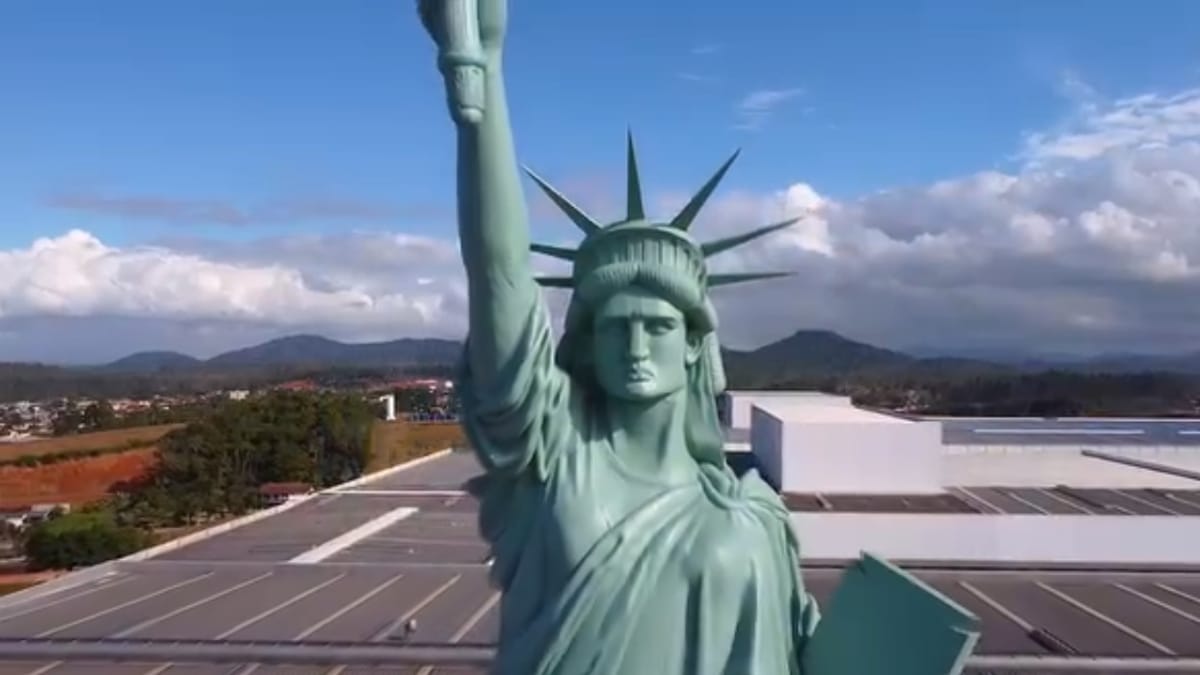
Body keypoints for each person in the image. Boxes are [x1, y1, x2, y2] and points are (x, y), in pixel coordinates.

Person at [418, 1, 820, 672]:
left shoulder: (755, 515)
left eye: (659, 325)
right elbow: (499, 274)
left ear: (694, 341)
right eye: (617, 326)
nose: (637, 346)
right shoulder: (554, 454)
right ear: (590, 339)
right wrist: (484, 69)